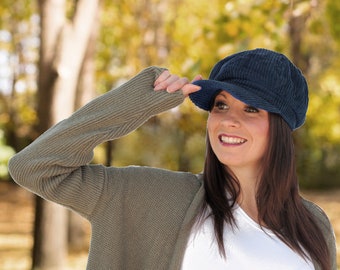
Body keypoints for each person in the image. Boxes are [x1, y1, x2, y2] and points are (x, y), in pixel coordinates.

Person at [8, 48, 336, 270]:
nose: (228, 120)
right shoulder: (152, 197)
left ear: (280, 128)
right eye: (221, 105)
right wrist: (137, 101)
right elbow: (36, 166)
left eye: (251, 108)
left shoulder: (313, 226)